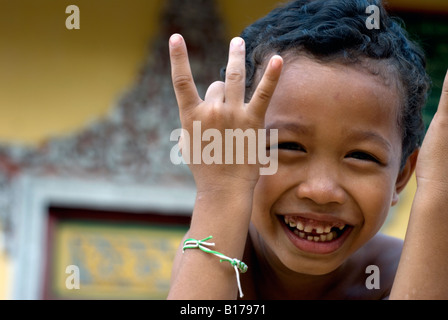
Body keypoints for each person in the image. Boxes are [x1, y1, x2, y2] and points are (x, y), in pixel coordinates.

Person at [167, 0, 448, 299]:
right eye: (288, 146)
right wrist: (219, 193)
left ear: (402, 176)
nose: (321, 191)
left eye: (361, 155)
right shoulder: (218, 252)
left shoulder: (395, 276)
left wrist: (438, 192)